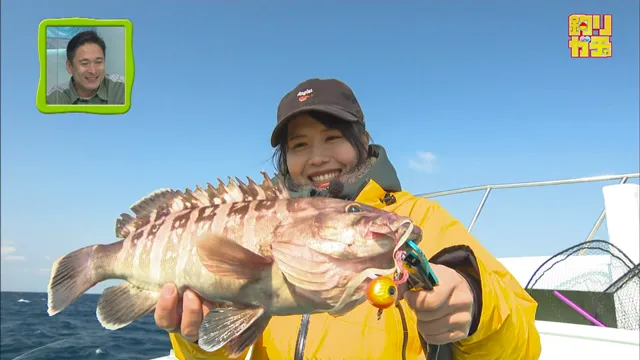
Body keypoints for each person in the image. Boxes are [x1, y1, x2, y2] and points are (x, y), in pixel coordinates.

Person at [154, 78, 542, 360]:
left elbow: (524, 349)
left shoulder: (418, 220)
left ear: (363, 139)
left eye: (333, 137)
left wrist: (477, 310)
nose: (318, 157)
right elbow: (223, 348)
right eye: (299, 145)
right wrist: (194, 341)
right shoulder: (258, 221)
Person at [46, 30, 125, 105]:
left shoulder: (121, 88)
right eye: (85, 63)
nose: (93, 71)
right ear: (69, 66)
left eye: (98, 62)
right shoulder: (56, 97)